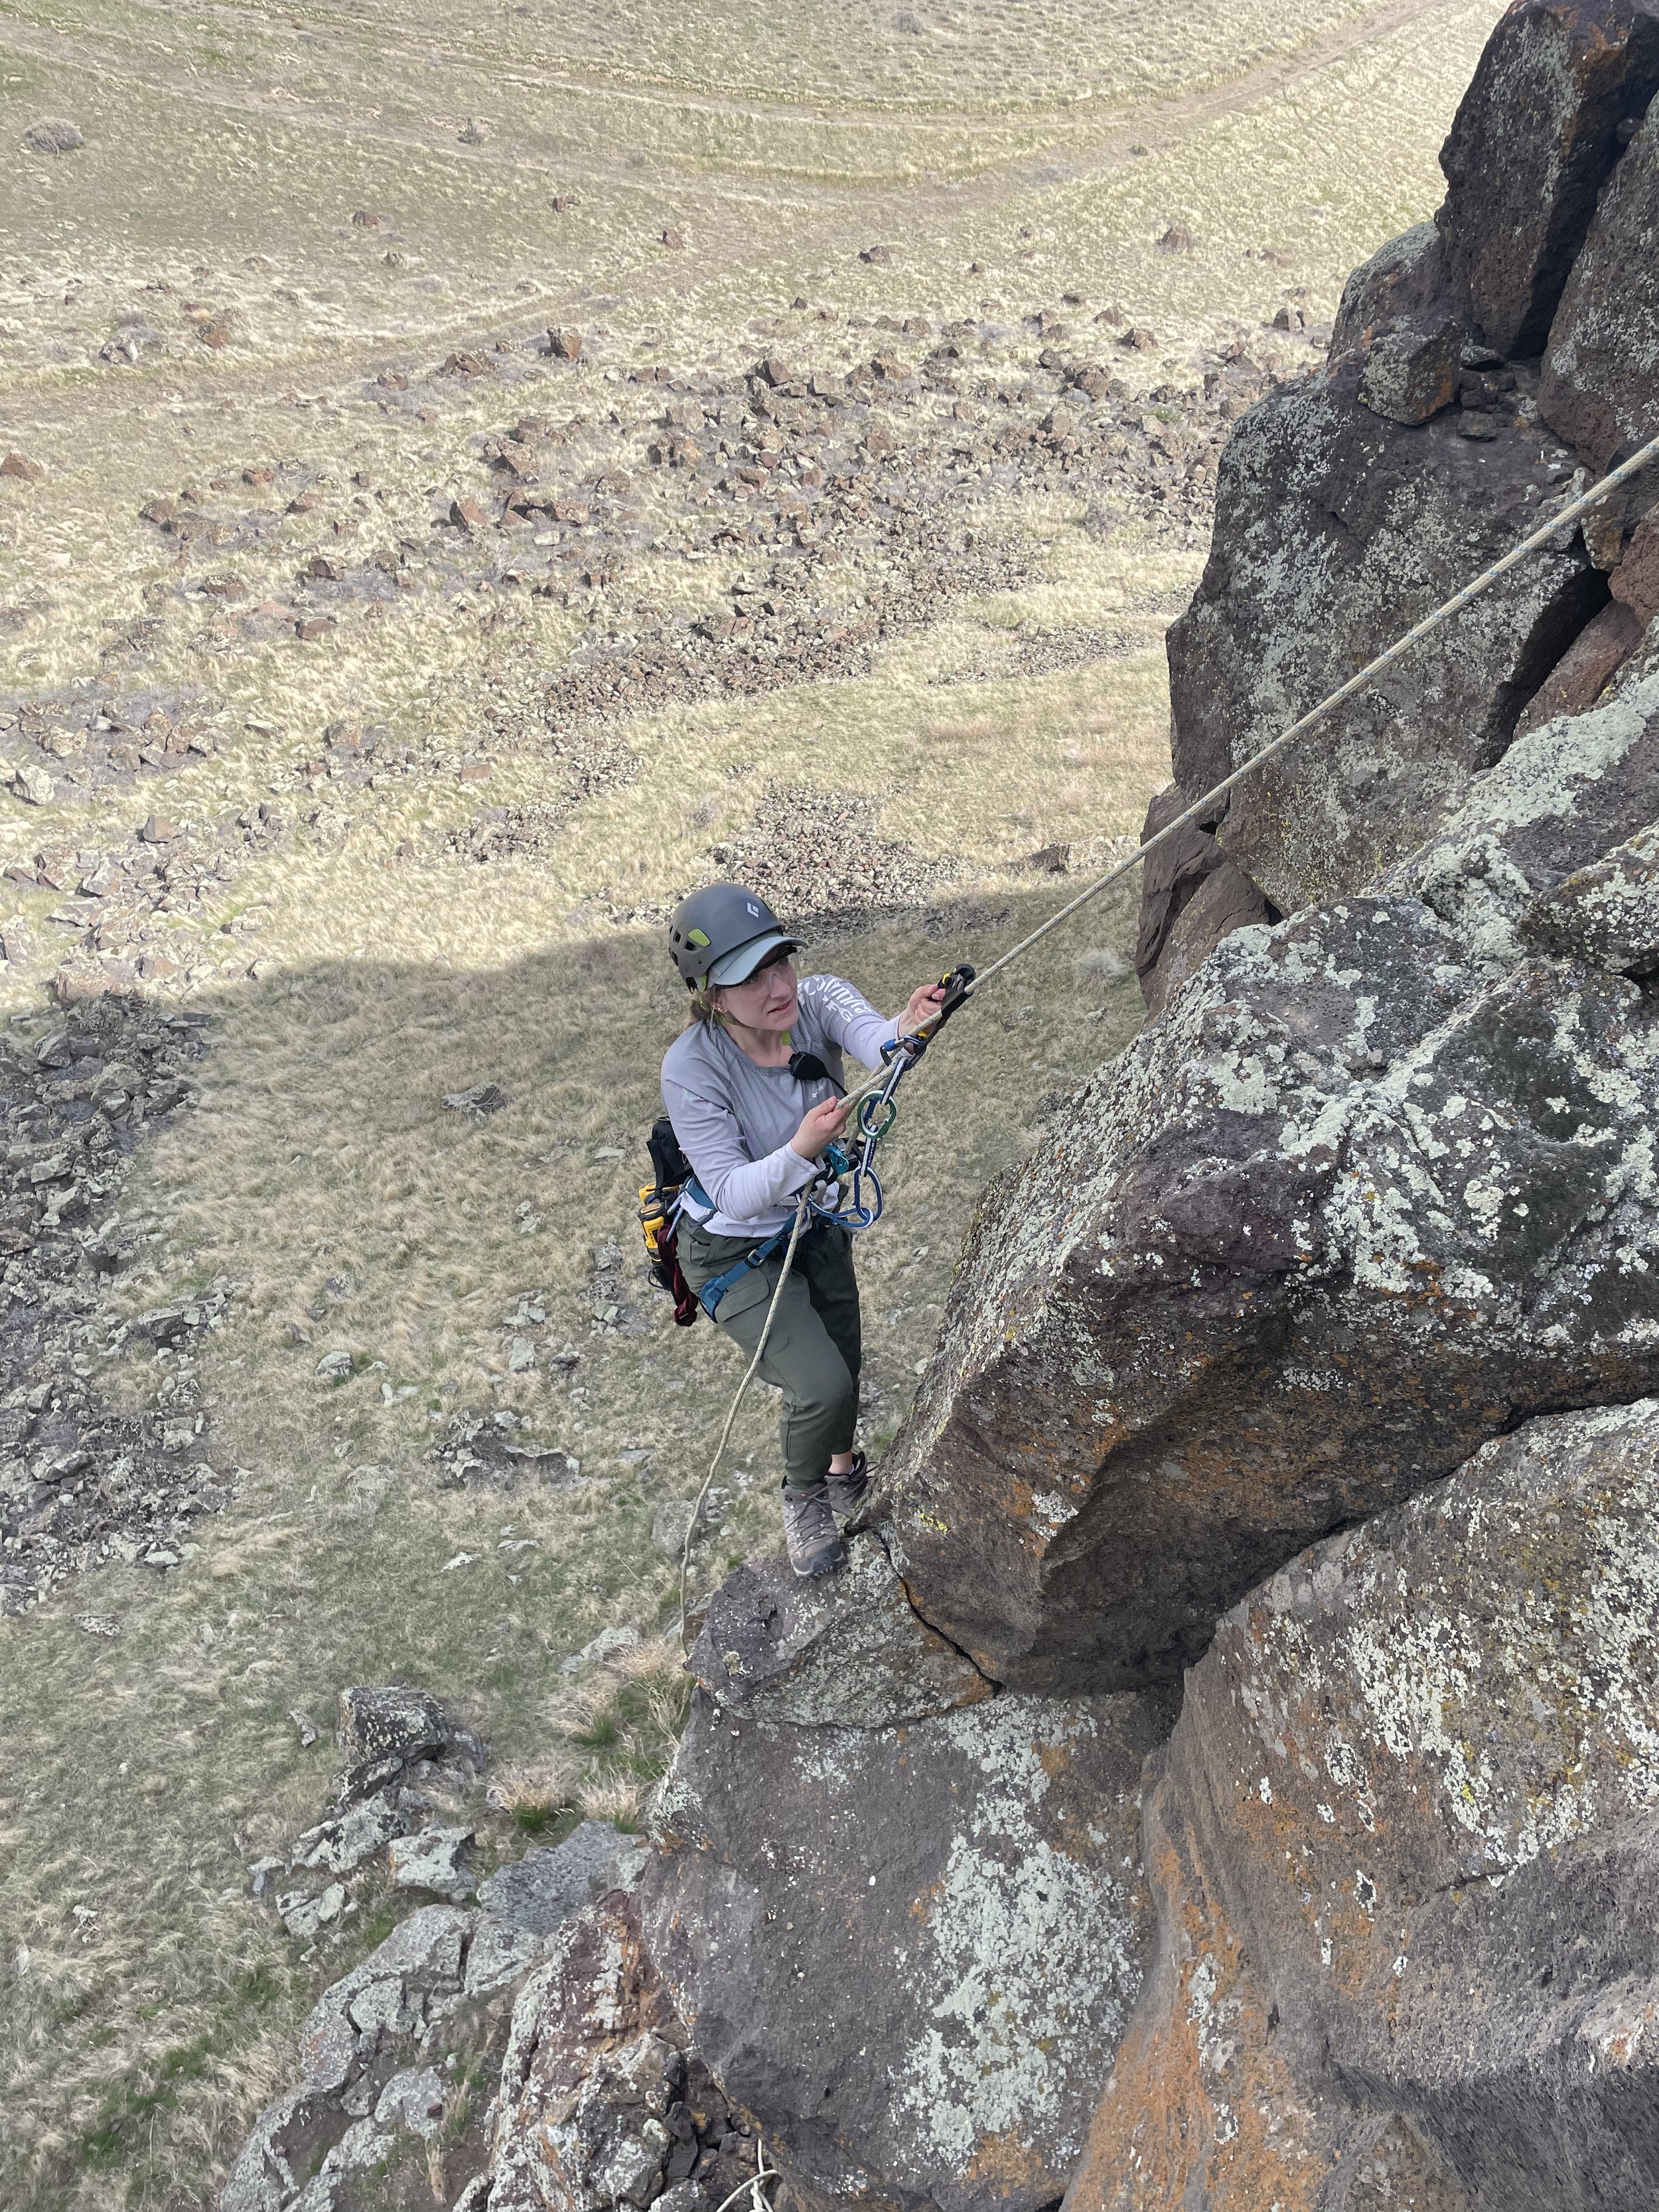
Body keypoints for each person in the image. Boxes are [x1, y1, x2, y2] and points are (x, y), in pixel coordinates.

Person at [662, 883, 945, 1579]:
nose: (776, 986)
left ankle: (846, 1469)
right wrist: (799, 1152)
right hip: (731, 1249)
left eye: (780, 962)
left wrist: (908, 1027)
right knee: (818, 1383)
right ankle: (804, 1499)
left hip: (812, 1222)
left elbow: (878, 1042)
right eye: (749, 978)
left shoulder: (817, 999)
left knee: (844, 1368)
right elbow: (728, 1188)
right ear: (711, 995)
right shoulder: (692, 1068)